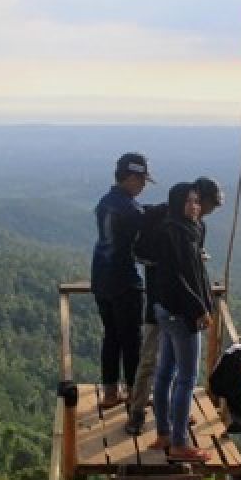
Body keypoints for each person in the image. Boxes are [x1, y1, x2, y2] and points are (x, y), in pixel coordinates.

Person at [125, 177, 223, 437]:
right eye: (204, 204)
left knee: (168, 368)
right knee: (154, 361)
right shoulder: (166, 223)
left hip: (168, 303)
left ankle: (168, 418)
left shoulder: (194, 225)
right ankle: (138, 414)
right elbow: (172, 267)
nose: (204, 211)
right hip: (166, 302)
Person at [149, 183, 215, 462]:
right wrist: (199, 308)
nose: (195, 207)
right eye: (188, 202)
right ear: (177, 204)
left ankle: (164, 433)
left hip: (166, 309)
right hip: (181, 313)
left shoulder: (179, 230)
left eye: (197, 201)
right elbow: (181, 278)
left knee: (165, 372)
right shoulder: (177, 234)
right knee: (186, 378)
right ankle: (179, 443)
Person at [91, 152, 152, 409]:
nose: (143, 185)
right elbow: (144, 247)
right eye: (141, 180)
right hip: (124, 281)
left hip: (101, 279)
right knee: (131, 339)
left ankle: (109, 393)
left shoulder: (105, 202)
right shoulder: (130, 209)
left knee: (111, 336)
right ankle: (135, 393)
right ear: (130, 177)